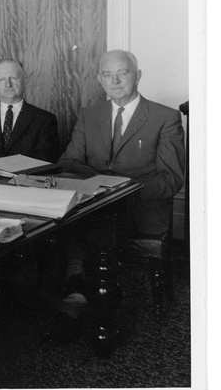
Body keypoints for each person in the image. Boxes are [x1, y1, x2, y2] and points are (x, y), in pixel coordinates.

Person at [47, 49, 185, 342]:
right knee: (59, 222)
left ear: (138, 75)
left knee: (96, 222)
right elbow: (68, 161)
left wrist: (121, 190)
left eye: (122, 72)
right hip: (93, 202)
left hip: (141, 207)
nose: (115, 80)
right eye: (107, 74)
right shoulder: (89, 114)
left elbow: (170, 179)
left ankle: (89, 299)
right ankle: (82, 285)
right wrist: (99, 184)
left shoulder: (165, 117)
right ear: (99, 79)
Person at [0, 58, 60, 162]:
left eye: (13, 78)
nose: (8, 84)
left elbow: (45, 163)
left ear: (25, 82)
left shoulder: (45, 120)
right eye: (2, 80)